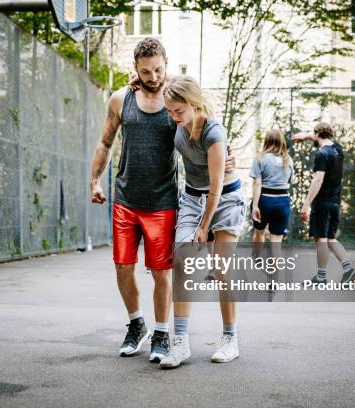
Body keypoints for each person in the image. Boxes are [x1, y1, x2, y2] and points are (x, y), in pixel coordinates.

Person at [89, 38, 235, 363]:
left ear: (166, 62)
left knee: (162, 271)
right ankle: (136, 324)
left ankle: (161, 333)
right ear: (135, 70)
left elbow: (206, 126)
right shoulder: (120, 99)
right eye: (145, 71)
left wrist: (227, 156)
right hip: (125, 198)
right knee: (123, 266)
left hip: (163, 201)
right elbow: (104, 141)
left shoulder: (177, 103)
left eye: (158, 69)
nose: (153, 76)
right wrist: (94, 180)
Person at [159, 75, 246, 369]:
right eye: (169, 111)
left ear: (194, 104)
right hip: (192, 198)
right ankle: (180, 343)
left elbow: (217, 186)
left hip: (225, 200)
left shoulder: (214, 132)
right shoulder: (179, 126)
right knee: (183, 261)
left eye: (178, 111)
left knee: (222, 270)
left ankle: (230, 339)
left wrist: (203, 227)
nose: (173, 117)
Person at [293, 123, 355, 284]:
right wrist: (307, 135)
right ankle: (348, 268)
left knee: (321, 239)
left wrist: (306, 204)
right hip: (335, 202)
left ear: (317, 134)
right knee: (330, 238)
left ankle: (321, 277)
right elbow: (320, 136)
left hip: (322, 202)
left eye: (312, 134)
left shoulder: (321, 154)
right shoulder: (337, 149)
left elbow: (318, 180)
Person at [250, 129, 295, 244]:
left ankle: (258, 260)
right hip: (282, 201)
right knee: (276, 241)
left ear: (267, 141)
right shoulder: (288, 160)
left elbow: (257, 183)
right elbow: (290, 181)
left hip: (264, 201)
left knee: (259, 232)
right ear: (282, 142)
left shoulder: (260, 158)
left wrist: (255, 206)